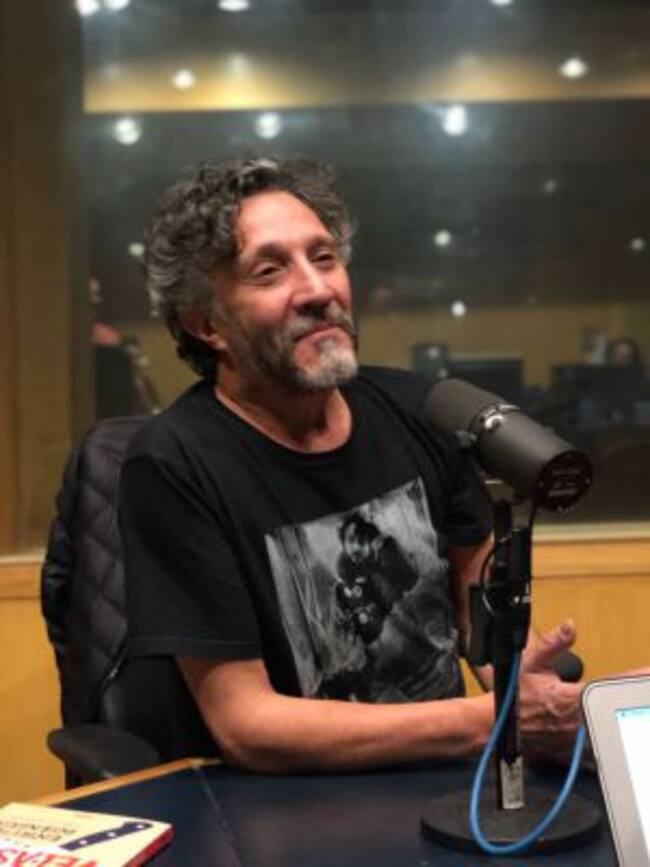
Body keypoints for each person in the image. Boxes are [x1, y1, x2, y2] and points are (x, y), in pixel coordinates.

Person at [119, 157, 587, 774]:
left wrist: (533, 689)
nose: (319, 291)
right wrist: (494, 720)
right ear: (205, 324)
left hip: (450, 781)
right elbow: (247, 725)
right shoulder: (173, 464)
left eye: (324, 257)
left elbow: (485, 629)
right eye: (270, 271)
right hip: (291, 805)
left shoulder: (421, 411)